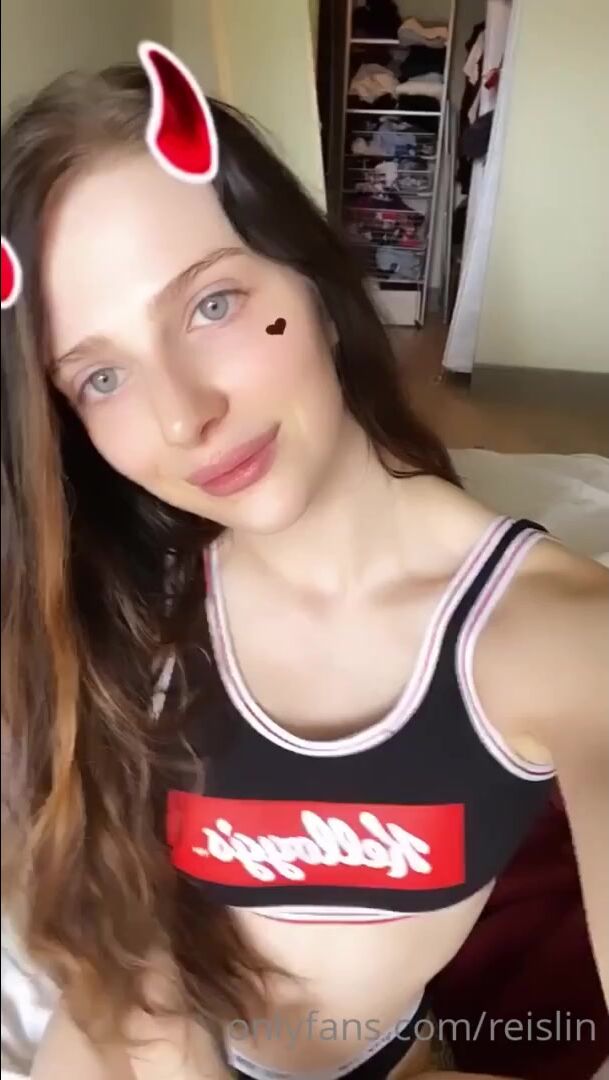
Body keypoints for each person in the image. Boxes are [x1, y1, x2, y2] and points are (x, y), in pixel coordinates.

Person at [1, 60, 607, 1080]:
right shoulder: (117, 610)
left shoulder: (560, 636)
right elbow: (120, 972)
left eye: (213, 305)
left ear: (318, 291)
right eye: (102, 375)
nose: (183, 417)